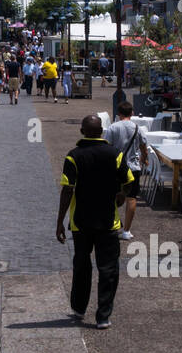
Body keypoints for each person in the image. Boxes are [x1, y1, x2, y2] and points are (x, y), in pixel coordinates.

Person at [56, 114, 132, 329]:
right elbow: (128, 181)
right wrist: (121, 195)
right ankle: (103, 315)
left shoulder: (73, 156)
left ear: (82, 131)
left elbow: (67, 190)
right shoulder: (115, 154)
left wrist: (60, 221)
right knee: (108, 270)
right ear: (102, 132)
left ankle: (79, 308)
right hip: (108, 221)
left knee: (82, 265)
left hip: (81, 222)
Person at [103, 101, 148, 241]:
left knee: (112, 196)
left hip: (116, 167)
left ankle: (112, 224)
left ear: (119, 114)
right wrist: (143, 159)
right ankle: (126, 231)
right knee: (131, 198)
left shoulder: (113, 128)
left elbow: (107, 148)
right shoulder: (137, 128)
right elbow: (143, 147)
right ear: (132, 113)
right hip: (133, 167)